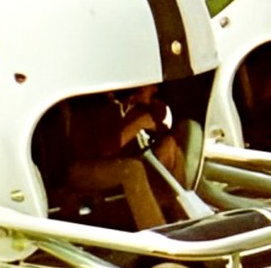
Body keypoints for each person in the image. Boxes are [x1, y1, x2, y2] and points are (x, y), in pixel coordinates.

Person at [66, 85, 186, 230]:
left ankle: (183, 218)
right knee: (131, 169)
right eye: (150, 85)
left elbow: (165, 119)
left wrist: (169, 139)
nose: (155, 89)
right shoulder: (95, 104)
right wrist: (137, 125)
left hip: (120, 163)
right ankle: (157, 232)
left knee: (175, 154)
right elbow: (104, 149)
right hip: (84, 167)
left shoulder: (140, 106)